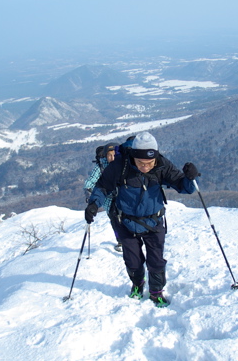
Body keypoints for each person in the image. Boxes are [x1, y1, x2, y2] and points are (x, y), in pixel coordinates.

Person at [85, 131, 199, 307]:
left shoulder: (162, 165)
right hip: (125, 222)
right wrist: (93, 204)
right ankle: (137, 284)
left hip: (153, 222)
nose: (145, 167)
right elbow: (102, 186)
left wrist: (189, 178)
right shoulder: (120, 165)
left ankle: (156, 292)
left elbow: (184, 187)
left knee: (156, 260)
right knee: (133, 260)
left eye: (149, 163)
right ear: (133, 157)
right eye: (140, 163)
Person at [83, 143, 122, 252]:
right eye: (109, 155)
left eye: (114, 155)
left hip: (122, 197)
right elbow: (90, 182)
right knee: (114, 220)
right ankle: (120, 241)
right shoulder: (101, 167)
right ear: (105, 156)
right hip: (108, 199)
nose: (112, 158)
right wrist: (90, 196)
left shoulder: (122, 164)